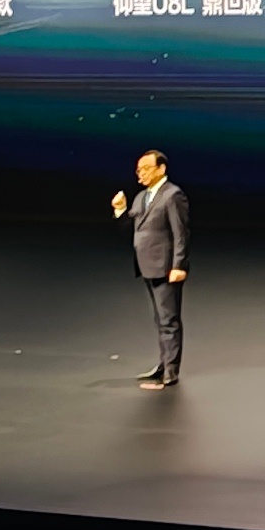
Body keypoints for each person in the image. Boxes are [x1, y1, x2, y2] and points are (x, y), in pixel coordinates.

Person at [109, 150, 188, 388]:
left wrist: (178, 265)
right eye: (138, 170)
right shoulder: (141, 197)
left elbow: (180, 233)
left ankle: (171, 372)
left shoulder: (173, 195)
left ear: (161, 169)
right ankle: (163, 364)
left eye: (146, 169)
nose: (141, 174)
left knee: (169, 320)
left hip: (165, 267)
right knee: (160, 319)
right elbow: (132, 228)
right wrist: (120, 210)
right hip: (147, 265)